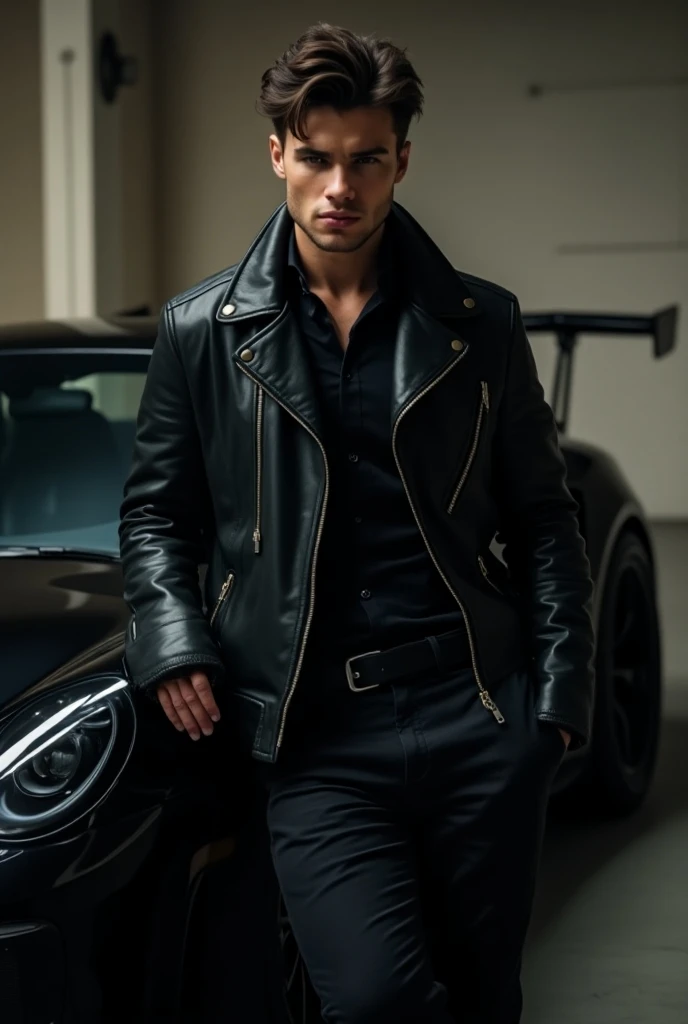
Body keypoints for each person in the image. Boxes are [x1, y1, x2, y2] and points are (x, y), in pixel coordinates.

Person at [119, 22, 595, 1024]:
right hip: (313, 733)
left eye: (367, 161)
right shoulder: (202, 334)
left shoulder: (481, 325)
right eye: (319, 158)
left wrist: (557, 701)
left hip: (478, 713)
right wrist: (171, 639)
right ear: (279, 154)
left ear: (401, 162)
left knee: (480, 997)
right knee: (375, 999)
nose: (342, 187)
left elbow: (547, 519)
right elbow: (161, 513)